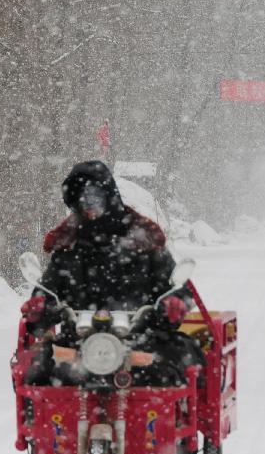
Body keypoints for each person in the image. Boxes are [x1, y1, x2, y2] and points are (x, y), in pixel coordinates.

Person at [20, 160, 203, 386]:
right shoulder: (67, 246)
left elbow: (179, 288)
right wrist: (38, 308)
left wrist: (174, 304)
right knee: (35, 376)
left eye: (95, 196)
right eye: (81, 198)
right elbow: (47, 292)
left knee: (180, 369)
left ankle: (179, 419)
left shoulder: (143, 239)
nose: (89, 204)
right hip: (77, 345)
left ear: (109, 195)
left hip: (143, 341)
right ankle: (39, 421)